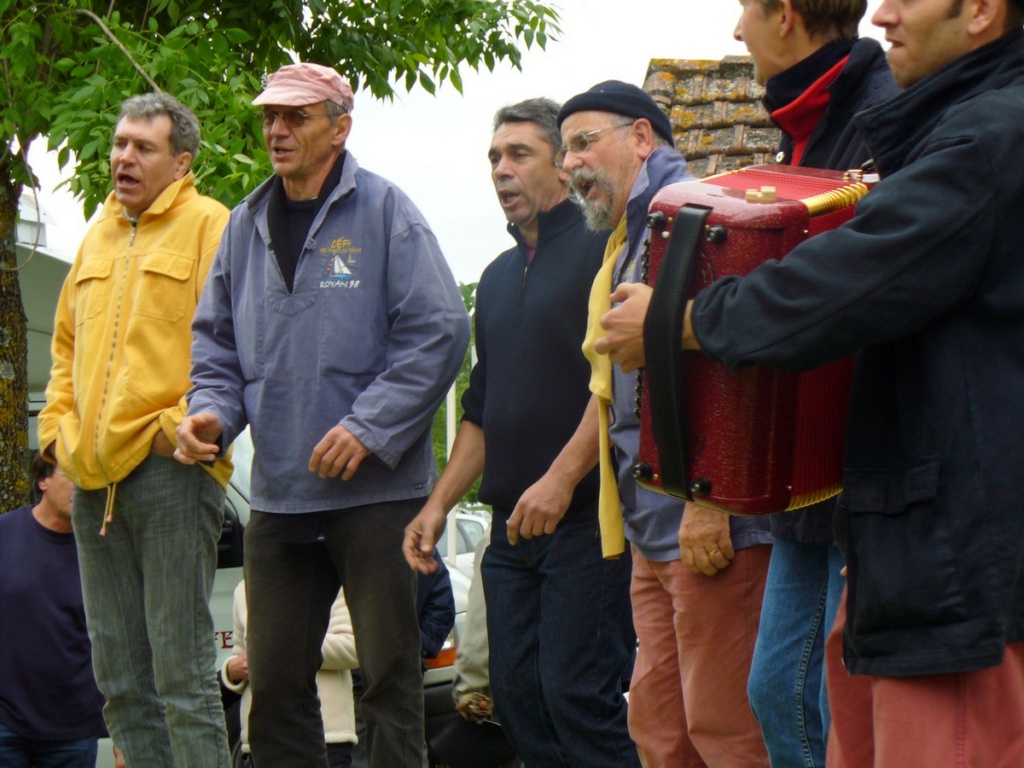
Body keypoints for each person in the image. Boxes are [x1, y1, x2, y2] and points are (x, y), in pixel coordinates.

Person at [596, 0, 1024, 764]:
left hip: (960, 568)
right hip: (915, 546)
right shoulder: (961, 125)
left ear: (984, 11)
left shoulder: (989, 137)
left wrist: (679, 321)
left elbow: (848, 281)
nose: (882, 12)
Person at [175, 62, 469, 768]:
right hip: (280, 493)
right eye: (270, 117)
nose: (277, 130)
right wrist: (212, 415)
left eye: (296, 117)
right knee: (273, 685)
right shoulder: (243, 224)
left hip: (378, 495)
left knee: (392, 680)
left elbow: (440, 329)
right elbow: (215, 342)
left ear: (340, 126)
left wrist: (370, 427)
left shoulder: (387, 212)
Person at [403, 98, 638, 767]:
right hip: (509, 529)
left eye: (519, 155)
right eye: (493, 158)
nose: (501, 170)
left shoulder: (605, 250)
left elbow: (620, 385)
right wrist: (438, 504)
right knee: (512, 696)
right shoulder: (499, 280)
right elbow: (480, 411)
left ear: (563, 169)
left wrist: (562, 481)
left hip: (587, 521)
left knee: (576, 697)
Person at [556, 81, 773, 768]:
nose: (571, 165)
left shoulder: (697, 215)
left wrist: (707, 505)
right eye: (565, 152)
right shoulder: (629, 235)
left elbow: (734, 363)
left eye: (585, 143)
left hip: (704, 526)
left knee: (726, 731)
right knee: (659, 730)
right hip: (654, 531)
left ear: (643, 138)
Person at [38, 92, 232, 767]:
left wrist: (170, 429)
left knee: (180, 676)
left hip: (173, 472)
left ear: (181, 162)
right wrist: (57, 434)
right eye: (120, 144)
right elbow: (64, 349)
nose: (123, 157)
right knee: (119, 683)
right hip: (91, 481)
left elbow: (239, 342)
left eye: (142, 147)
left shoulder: (213, 226)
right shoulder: (95, 234)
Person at [732, 2, 899, 765]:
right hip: (809, 477)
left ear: (788, 16)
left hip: (868, 464)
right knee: (780, 690)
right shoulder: (802, 124)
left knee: (830, 700)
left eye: (743, 11)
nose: (738, 32)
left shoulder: (883, 112)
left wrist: (699, 321)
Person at [0, 454, 106, 767]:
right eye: (72, 474)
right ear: (42, 480)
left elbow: (117, 645)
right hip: (5, 725)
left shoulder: (102, 549)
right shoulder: (5, 535)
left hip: (73, 731)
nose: (82, 487)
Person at [222, 582, 358, 768]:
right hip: (260, 741)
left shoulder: (332, 579)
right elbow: (239, 653)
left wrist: (284, 645)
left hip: (326, 736)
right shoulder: (243, 588)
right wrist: (231, 671)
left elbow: (352, 648)